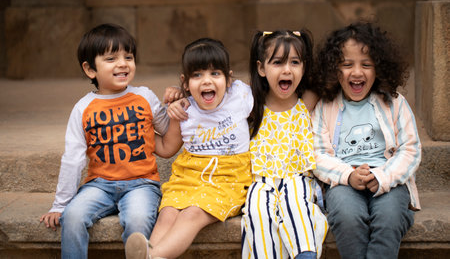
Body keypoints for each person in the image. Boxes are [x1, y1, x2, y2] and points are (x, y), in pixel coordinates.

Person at [40, 23, 176, 259]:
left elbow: (167, 132)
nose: (123, 63)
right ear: (90, 69)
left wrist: (179, 104)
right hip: (99, 185)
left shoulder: (145, 96)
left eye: (129, 57)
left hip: (141, 183)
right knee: (71, 217)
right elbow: (72, 159)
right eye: (111, 58)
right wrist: (60, 205)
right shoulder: (83, 108)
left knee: (139, 219)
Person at [125, 38, 253, 259]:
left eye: (215, 74)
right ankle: (150, 254)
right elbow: (167, 148)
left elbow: (271, 93)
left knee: (192, 214)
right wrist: (135, 135)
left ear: (229, 79)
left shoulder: (241, 95)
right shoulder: (183, 110)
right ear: (185, 83)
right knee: (167, 213)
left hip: (229, 178)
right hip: (189, 175)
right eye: (197, 75)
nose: (206, 81)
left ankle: (151, 257)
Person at [311, 21, 421, 259]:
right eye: (347, 64)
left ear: (379, 68)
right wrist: (347, 175)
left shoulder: (394, 102)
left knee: (390, 217)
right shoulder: (325, 106)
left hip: (389, 181)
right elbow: (317, 154)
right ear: (334, 69)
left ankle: (401, 214)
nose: (357, 72)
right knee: (347, 218)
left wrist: (383, 176)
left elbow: (410, 150)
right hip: (343, 182)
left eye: (366, 65)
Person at [241, 30, 328, 259]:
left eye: (295, 62)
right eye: (277, 62)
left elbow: (333, 77)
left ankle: (305, 253)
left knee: (296, 203)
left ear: (304, 67)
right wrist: (179, 94)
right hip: (261, 180)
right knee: (255, 209)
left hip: (297, 177)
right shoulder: (250, 105)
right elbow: (214, 96)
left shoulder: (306, 101)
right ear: (261, 68)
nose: (287, 70)